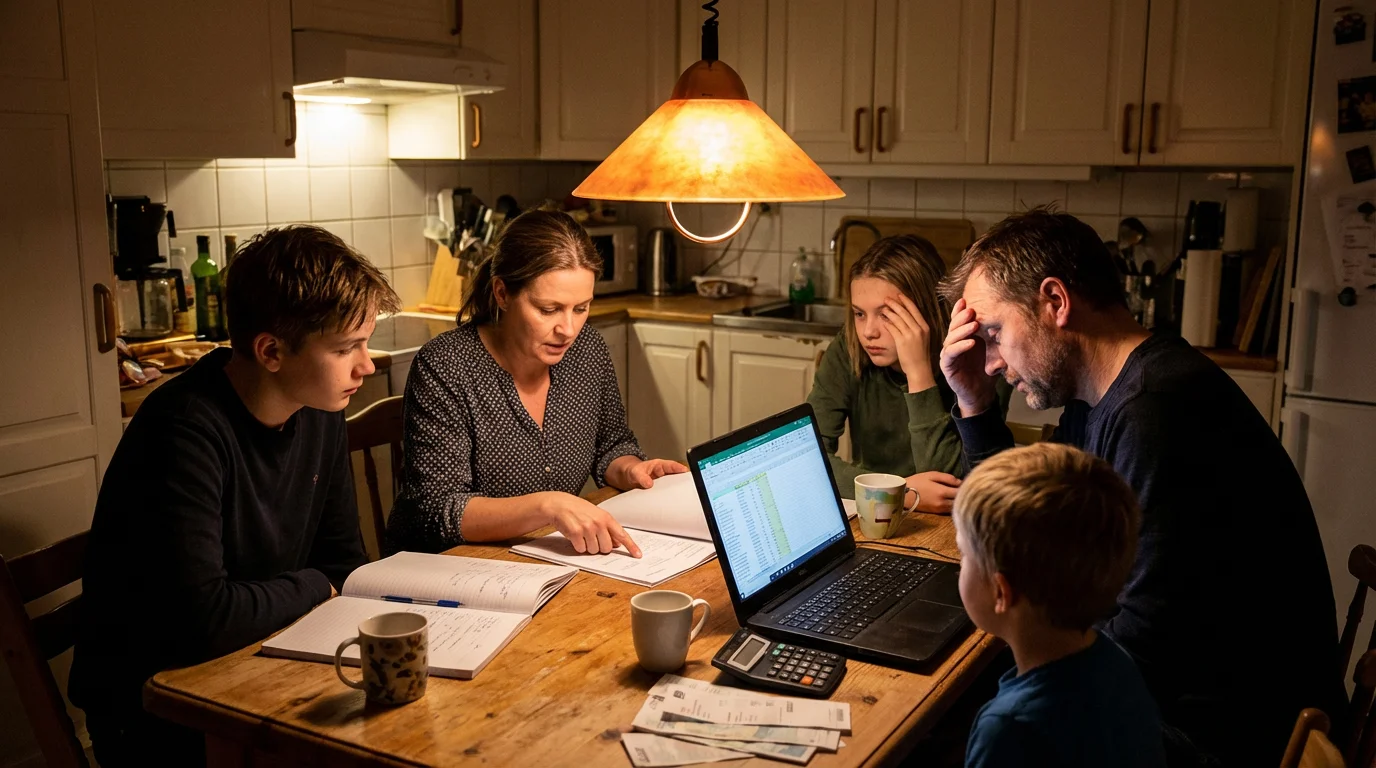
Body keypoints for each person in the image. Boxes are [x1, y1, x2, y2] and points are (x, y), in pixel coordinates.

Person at [938, 208, 1341, 766]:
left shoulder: (1157, 414)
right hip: (1171, 697)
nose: (991, 361)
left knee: (956, 724)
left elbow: (1142, 650)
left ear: (1055, 302)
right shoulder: (1103, 393)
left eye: (993, 334)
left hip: (1223, 735)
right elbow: (1026, 527)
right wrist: (975, 402)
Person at [70, 226, 398, 766]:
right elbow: (204, 620)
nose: (366, 366)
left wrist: (326, 582)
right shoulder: (183, 431)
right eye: (347, 348)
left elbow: (346, 563)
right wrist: (320, 584)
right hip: (160, 712)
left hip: (258, 662)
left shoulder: (318, 410)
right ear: (271, 351)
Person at [388, 210, 686, 555]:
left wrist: (632, 469)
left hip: (542, 558)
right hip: (443, 568)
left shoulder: (587, 350)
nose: (568, 330)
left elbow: (611, 445)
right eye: (548, 310)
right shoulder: (447, 365)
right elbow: (440, 511)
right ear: (502, 293)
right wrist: (548, 506)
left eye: (581, 308)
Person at [955, 442, 1166, 768]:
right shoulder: (1116, 662)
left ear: (1002, 592)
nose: (960, 565)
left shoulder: (1009, 728)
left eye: (964, 556)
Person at [807, 235, 1010, 512]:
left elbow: (952, 487)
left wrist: (918, 373)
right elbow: (809, 459)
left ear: (926, 308)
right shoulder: (849, 348)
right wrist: (898, 492)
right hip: (877, 515)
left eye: (887, 314)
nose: (868, 332)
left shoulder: (974, 358)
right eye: (859, 314)